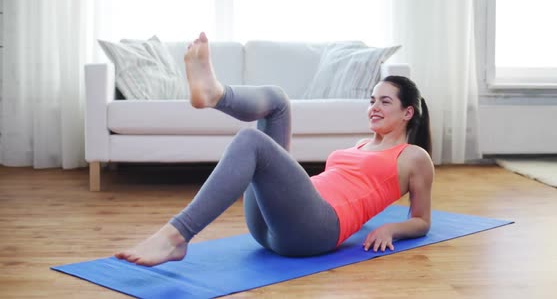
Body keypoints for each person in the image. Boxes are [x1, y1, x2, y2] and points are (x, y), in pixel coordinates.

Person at [115, 32, 434, 267]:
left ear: (408, 113)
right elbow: (357, 193)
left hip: (315, 230)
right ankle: (215, 94)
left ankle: (176, 237)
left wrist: (391, 227)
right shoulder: (361, 144)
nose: (374, 107)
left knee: (251, 140)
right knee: (278, 102)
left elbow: (422, 220)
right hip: (277, 223)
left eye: (385, 101)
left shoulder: (413, 157)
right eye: (372, 100)